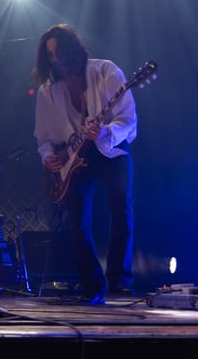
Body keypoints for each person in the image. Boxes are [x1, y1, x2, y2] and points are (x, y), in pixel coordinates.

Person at [31, 23, 136, 305]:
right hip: (74, 159)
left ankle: (119, 282)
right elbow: (43, 138)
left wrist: (105, 132)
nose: (56, 60)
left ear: (73, 50)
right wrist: (47, 158)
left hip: (111, 148)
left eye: (60, 53)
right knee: (76, 221)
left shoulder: (107, 71)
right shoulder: (47, 92)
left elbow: (129, 119)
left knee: (121, 209)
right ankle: (92, 286)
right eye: (50, 55)